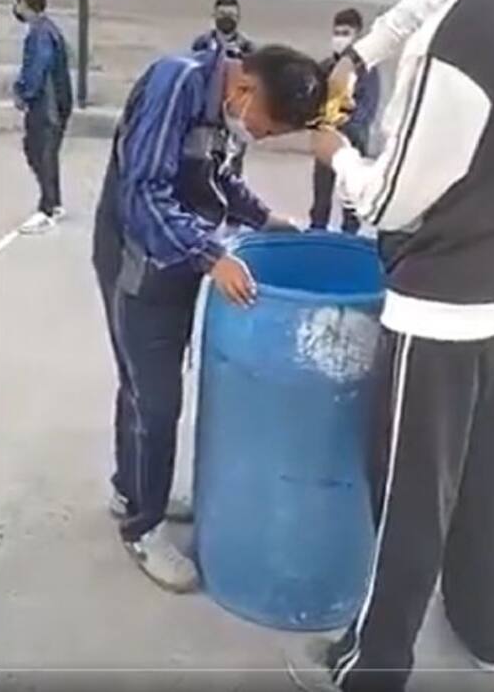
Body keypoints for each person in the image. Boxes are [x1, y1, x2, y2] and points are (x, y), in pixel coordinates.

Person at [289, 0, 494, 692]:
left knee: (407, 495)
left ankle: (373, 664)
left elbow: (393, 198)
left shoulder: (462, 38)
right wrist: (360, 53)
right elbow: (415, 6)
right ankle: (484, 626)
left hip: (439, 312)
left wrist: (336, 156)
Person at [92, 43, 327, 593]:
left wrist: (265, 219)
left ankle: (131, 488)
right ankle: (142, 529)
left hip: (178, 261)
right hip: (139, 263)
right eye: (264, 129)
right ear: (244, 90)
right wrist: (211, 256)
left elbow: (217, 182)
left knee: (141, 388)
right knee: (156, 398)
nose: (258, 138)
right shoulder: (176, 84)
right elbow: (143, 193)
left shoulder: (228, 110)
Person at [310, 9, 381, 234]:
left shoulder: (368, 71)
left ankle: (349, 237)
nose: (340, 37)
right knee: (321, 195)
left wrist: (342, 128)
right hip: (325, 141)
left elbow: (366, 109)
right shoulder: (324, 68)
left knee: (350, 199)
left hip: (353, 144)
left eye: (346, 33)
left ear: (357, 35)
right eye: (337, 32)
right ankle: (316, 234)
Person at [11, 0, 73, 235]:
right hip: (54, 103)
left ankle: (47, 209)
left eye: (16, 1)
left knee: (41, 152)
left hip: (46, 106)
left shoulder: (41, 34)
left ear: (25, 4)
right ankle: (53, 201)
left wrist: (24, 93)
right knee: (41, 152)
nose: (15, 7)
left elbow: (38, 68)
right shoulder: (46, 29)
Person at [191, 0, 256, 178]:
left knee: (231, 168)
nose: (227, 18)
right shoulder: (202, 43)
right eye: (222, 13)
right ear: (214, 15)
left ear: (238, 17)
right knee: (202, 165)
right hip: (206, 114)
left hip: (235, 117)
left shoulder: (248, 48)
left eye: (231, 14)